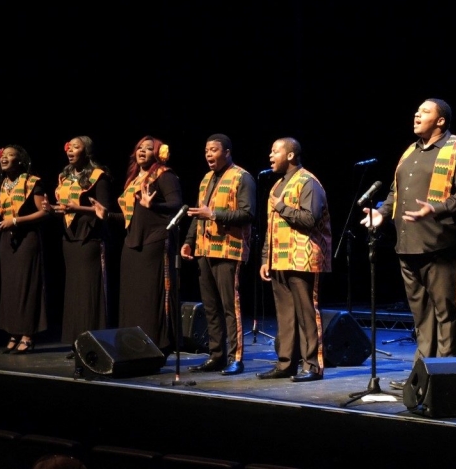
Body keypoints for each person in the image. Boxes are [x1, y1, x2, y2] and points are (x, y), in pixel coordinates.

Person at [360, 98, 456, 390]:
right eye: (417, 110)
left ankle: (447, 377)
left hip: (442, 244)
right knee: (422, 315)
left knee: (446, 313)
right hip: (407, 244)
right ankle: (422, 375)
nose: (417, 114)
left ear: (441, 121)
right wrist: (382, 213)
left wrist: (435, 209)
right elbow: (395, 192)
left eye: (425, 111)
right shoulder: (410, 151)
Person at [91, 136, 183, 355]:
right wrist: (107, 215)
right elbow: (129, 217)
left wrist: (155, 205)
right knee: (132, 298)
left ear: (158, 153)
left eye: (148, 148)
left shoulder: (164, 175)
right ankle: (132, 346)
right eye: (140, 147)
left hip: (154, 241)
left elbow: (177, 205)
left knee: (150, 298)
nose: (142, 151)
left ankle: (157, 347)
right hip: (132, 243)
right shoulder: (133, 180)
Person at [257, 137, 332, 382]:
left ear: (290, 155)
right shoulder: (277, 185)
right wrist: (266, 258)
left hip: (303, 259)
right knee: (285, 315)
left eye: (275, 151)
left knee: (307, 313)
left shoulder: (308, 182)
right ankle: (286, 363)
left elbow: (310, 219)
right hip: (279, 259)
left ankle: (312, 366)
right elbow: (271, 227)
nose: (270, 156)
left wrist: (282, 207)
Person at [181, 134, 255, 375]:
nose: (208, 154)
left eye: (213, 150)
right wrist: (189, 242)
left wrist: (214, 215)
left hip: (228, 250)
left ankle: (236, 357)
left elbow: (247, 214)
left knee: (230, 307)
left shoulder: (242, 177)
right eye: (206, 151)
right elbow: (197, 214)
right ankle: (217, 355)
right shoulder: (206, 179)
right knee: (211, 307)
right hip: (205, 249)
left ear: (227, 152)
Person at [0, 144, 48, 354]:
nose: (4, 158)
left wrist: (15, 220)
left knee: (26, 286)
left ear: (20, 160)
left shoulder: (32, 182)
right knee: (11, 288)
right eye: (2, 156)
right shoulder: (1, 185)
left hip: (27, 239)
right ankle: (14, 331)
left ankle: (27, 334)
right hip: (7, 241)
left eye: (10, 155)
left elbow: (44, 212)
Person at [42, 136, 114, 359]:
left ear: (87, 151)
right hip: (70, 238)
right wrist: (52, 209)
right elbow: (65, 208)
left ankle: (94, 342)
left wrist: (78, 208)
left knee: (89, 292)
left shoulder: (98, 176)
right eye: (69, 147)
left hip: (89, 238)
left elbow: (104, 210)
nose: (70, 150)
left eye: (76, 147)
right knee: (74, 292)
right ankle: (77, 343)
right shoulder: (65, 176)